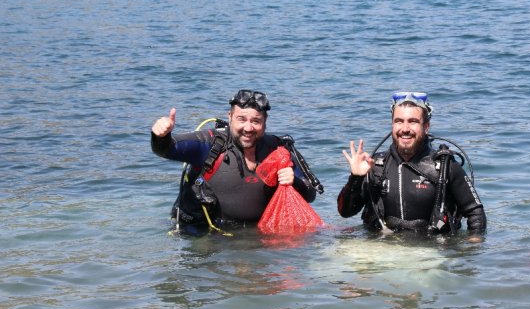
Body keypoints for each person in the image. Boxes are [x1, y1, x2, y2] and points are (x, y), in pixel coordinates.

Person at [151, 89, 321, 232]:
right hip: (204, 235)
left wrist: (295, 182)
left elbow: (310, 194)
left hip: (255, 236)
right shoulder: (209, 144)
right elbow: (167, 150)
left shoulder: (277, 150)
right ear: (230, 117)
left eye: (256, 121)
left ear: (265, 122)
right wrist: (161, 136)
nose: (248, 128)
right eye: (241, 119)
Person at [337, 91, 486, 235]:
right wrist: (355, 178)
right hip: (382, 249)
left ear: (426, 127)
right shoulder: (376, 166)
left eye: (413, 121)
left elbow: (476, 213)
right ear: (392, 125)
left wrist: (469, 251)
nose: (405, 129)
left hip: (431, 252)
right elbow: (345, 212)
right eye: (399, 121)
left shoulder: (445, 167)